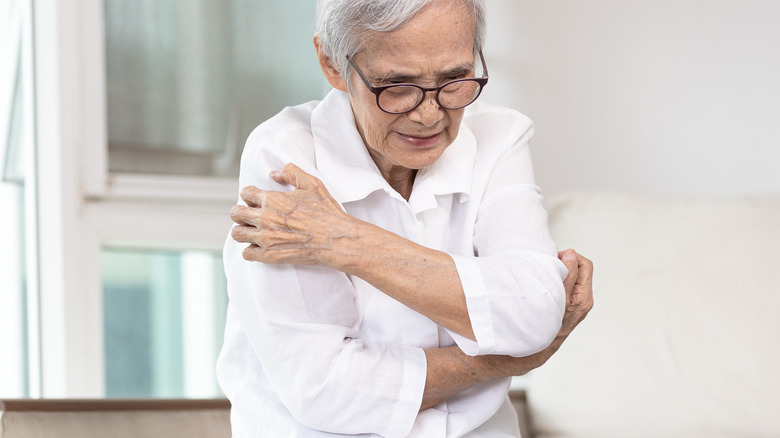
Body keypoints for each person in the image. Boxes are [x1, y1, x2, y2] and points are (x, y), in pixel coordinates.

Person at [216, 0, 594, 436]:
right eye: (397, 86)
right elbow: (326, 391)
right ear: (332, 63)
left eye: (455, 79)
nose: (430, 114)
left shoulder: (499, 137)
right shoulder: (286, 157)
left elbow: (533, 312)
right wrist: (502, 358)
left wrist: (344, 242)